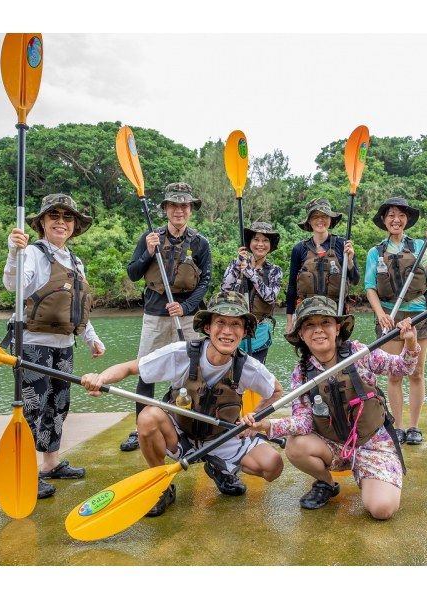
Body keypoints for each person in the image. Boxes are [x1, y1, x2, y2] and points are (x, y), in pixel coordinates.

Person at [81, 291, 284, 516]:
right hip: (180, 433)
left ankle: (221, 468)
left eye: (236, 324)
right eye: (220, 322)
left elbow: (276, 391)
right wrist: (100, 379)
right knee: (148, 417)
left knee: (272, 465)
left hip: (222, 437)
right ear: (208, 327)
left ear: (244, 331)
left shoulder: (248, 366)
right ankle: (162, 487)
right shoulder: (182, 353)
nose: (227, 331)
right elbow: (130, 368)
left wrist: (254, 419)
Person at [243, 296, 418, 520]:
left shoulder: (358, 352)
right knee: (296, 445)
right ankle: (327, 483)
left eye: (325, 323)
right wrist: (265, 425)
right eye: (309, 325)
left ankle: (369, 475)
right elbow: (303, 421)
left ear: (337, 328)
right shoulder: (302, 372)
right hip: (333, 444)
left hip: (372, 443)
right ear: (301, 335)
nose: (318, 330)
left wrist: (410, 342)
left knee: (382, 510)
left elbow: (402, 367)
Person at [3, 193, 106, 499]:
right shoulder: (32, 253)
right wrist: (13, 254)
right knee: (32, 408)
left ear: (74, 225)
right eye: (54, 216)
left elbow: (78, 309)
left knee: (58, 406)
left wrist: (92, 338)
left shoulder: (76, 261)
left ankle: (50, 463)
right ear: (43, 223)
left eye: (67, 217)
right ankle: (24, 472)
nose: (61, 222)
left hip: (64, 345)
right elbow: (14, 286)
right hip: (33, 345)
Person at [119, 182, 211, 455]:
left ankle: (190, 426)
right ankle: (140, 427)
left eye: (184, 206)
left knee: (192, 374)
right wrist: (148, 252)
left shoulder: (200, 243)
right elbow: (133, 273)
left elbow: (205, 281)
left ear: (190, 210)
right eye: (174, 205)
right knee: (147, 371)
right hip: (155, 315)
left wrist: (186, 307)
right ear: (166, 209)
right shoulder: (151, 237)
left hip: (187, 316)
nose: (179, 211)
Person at [364, 197, 427, 446]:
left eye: (401, 215)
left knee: (416, 372)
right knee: (395, 374)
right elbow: (370, 288)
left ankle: (415, 427)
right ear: (384, 220)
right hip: (388, 316)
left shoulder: (419, 245)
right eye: (391, 215)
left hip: (418, 315)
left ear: (406, 220)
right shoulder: (376, 252)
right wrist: (380, 314)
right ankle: (397, 426)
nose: (396, 220)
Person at [285, 198, 359, 333]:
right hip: (306, 313)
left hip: (336, 313)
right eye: (315, 216)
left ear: (330, 219)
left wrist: (350, 261)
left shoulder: (343, 244)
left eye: (324, 216)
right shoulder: (299, 249)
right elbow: (291, 287)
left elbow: (355, 280)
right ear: (309, 221)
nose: (320, 220)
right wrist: (290, 321)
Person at [220, 221, 282, 364]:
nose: (260, 244)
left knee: (255, 374)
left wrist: (251, 273)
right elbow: (225, 289)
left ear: (270, 244)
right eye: (256, 239)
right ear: (249, 243)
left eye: (265, 240)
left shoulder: (275, 270)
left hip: (259, 331)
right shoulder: (237, 264)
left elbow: (270, 297)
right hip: (235, 327)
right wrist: (238, 264)